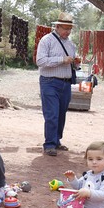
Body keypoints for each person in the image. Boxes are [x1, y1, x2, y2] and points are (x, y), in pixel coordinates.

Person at [35, 12, 80, 156]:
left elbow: (73, 66)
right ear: (58, 27)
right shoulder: (46, 40)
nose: (68, 31)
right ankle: (49, 144)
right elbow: (40, 61)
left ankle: (56, 141)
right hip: (49, 82)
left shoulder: (71, 44)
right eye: (65, 28)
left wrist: (76, 64)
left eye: (70, 29)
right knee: (52, 114)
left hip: (65, 83)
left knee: (61, 114)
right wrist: (61, 59)